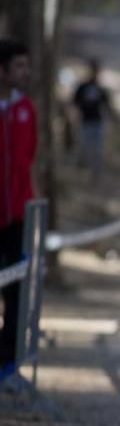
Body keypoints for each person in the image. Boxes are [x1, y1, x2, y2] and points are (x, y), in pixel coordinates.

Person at [0, 40, 37, 382]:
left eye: (27, 66)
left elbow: (29, 157)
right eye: (19, 66)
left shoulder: (26, 110)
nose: (24, 73)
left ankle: (9, 357)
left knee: (15, 288)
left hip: (16, 217)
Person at [72, 58, 117, 185]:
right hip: (85, 122)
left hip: (98, 123)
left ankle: (96, 177)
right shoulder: (82, 87)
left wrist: (115, 119)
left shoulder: (101, 89)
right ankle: (82, 172)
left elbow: (108, 105)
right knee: (85, 149)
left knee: (98, 151)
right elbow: (74, 102)